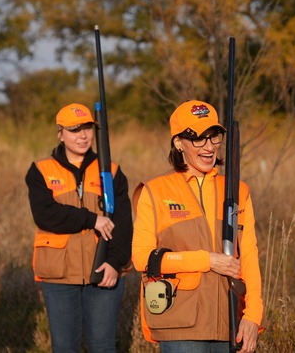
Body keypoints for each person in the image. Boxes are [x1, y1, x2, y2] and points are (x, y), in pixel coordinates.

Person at [132, 100, 264, 353]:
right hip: (181, 321)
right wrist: (207, 260)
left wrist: (253, 316)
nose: (209, 147)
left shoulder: (238, 191)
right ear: (178, 143)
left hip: (230, 318)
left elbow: (249, 256)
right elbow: (141, 258)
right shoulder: (155, 191)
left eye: (214, 137)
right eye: (198, 139)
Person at [25, 103, 133, 353]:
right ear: (60, 133)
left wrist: (115, 263)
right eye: (74, 130)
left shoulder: (111, 171)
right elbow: (45, 215)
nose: (83, 136)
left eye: (87, 128)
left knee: (102, 346)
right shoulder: (41, 170)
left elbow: (124, 223)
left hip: (104, 271)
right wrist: (91, 219)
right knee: (65, 347)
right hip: (59, 274)